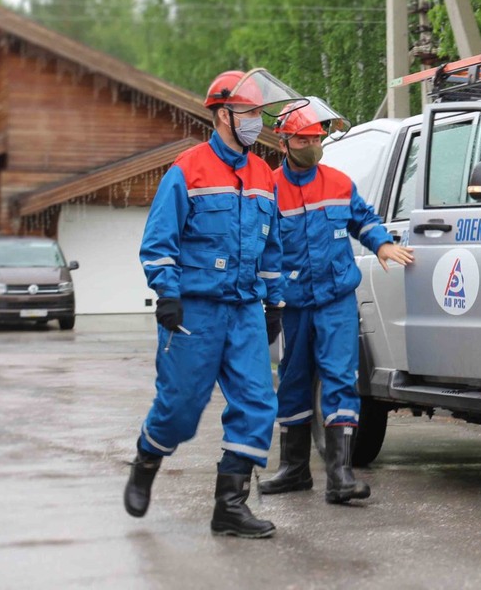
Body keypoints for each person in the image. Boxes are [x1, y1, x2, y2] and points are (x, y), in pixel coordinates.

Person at [123, 68, 294, 538]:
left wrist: (275, 302)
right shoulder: (188, 169)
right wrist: (168, 295)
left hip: (244, 312)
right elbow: (159, 241)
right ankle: (146, 459)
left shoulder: (264, 175)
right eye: (249, 112)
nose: (257, 121)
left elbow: (271, 246)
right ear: (222, 114)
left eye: (260, 112)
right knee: (180, 408)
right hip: (194, 312)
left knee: (259, 403)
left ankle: (230, 507)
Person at [259, 97, 414, 504]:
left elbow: (363, 220)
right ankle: (293, 470)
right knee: (292, 383)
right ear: (286, 142)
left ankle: (341, 475)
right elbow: (257, 246)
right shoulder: (269, 190)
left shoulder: (339, 183)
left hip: (336, 302)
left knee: (341, 380)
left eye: (318, 137)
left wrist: (380, 245)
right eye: (306, 137)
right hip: (292, 306)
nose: (315, 143)